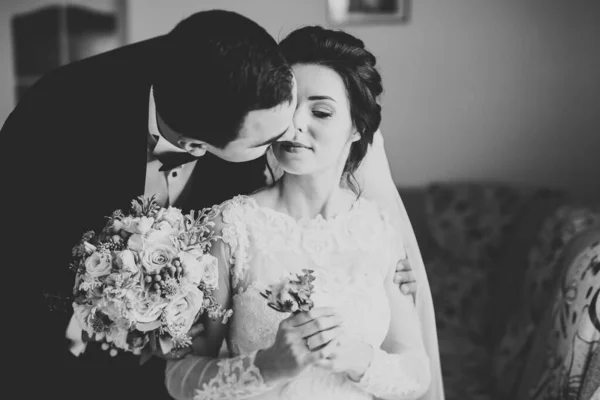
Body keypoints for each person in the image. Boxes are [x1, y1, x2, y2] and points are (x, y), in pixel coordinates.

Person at [1, 9, 418, 400]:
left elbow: (414, 371)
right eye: (267, 142)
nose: (291, 131)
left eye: (318, 110)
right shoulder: (57, 116)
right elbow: (19, 261)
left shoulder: (247, 76)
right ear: (200, 146)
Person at [165, 26, 444, 400]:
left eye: (322, 111)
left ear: (358, 128)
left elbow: (417, 374)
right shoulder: (232, 226)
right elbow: (179, 376)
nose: (296, 125)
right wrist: (266, 367)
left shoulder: (377, 229)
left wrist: (362, 359)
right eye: (289, 106)